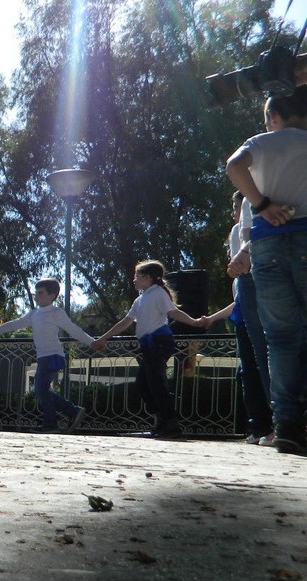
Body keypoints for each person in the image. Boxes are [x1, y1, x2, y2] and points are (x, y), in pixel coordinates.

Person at [225, 84, 307, 454]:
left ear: (272, 116)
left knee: (280, 338)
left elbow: (234, 166)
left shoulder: (260, 143)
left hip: (266, 246)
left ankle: (286, 423)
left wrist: (261, 205)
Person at [94, 260, 206, 439]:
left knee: (156, 384)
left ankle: (171, 425)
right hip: (149, 345)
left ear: (148, 278)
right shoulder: (141, 299)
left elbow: (173, 312)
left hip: (159, 342)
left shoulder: (158, 293)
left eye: (137, 276)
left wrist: (193, 322)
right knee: (144, 385)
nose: (134, 279)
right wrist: (103, 338)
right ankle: (162, 422)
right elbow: (126, 321)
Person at [0, 278, 101, 433]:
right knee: (42, 390)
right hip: (43, 358)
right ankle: (71, 411)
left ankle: (53, 423)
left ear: (52, 296)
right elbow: (14, 324)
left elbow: (73, 329)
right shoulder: (34, 314)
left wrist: (91, 342)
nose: (36, 296)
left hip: (53, 356)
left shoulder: (56, 313)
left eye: (40, 293)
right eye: (36, 293)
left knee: (40, 390)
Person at [215, 191, 274, 446]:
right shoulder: (236, 230)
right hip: (244, 303)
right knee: (250, 367)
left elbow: (243, 269)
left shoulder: (248, 220)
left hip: (256, 290)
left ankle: (276, 422)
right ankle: (262, 425)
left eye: (237, 207)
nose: (235, 213)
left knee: (264, 358)